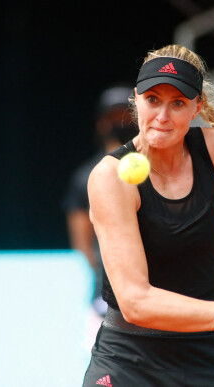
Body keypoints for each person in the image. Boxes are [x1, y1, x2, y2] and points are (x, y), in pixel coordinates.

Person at [82, 44, 214, 386]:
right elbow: (136, 302)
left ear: (197, 106)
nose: (162, 116)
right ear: (136, 99)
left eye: (178, 103)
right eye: (153, 99)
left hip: (209, 358)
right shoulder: (109, 177)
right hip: (130, 363)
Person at [62, 85, 138, 319]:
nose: (120, 122)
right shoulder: (85, 177)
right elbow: (82, 244)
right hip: (106, 295)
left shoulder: (159, 170)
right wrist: (108, 277)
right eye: (113, 117)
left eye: (126, 115)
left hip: (156, 288)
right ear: (101, 123)